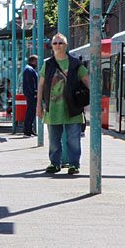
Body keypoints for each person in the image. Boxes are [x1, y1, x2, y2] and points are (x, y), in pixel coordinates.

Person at [36, 34, 90, 175]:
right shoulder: (47, 64)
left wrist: (94, 101)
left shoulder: (75, 64)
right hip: (52, 108)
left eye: (61, 43)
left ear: (66, 45)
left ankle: (74, 164)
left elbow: (87, 81)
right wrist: (38, 105)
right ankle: (55, 163)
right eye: (55, 43)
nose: (58, 45)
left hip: (73, 107)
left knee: (73, 139)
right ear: (52, 46)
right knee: (54, 140)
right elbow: (41, 85)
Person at [22, 55, 39, 136]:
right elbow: (31, 83)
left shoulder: (29, 69)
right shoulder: (29, 70)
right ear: (32, 61)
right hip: (31, 94)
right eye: (36, 61)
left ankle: (29, 129)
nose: (37, 63)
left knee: (31, 111)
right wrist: (35, 92)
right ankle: (27, 130)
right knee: (30, 111)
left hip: (30, 93)